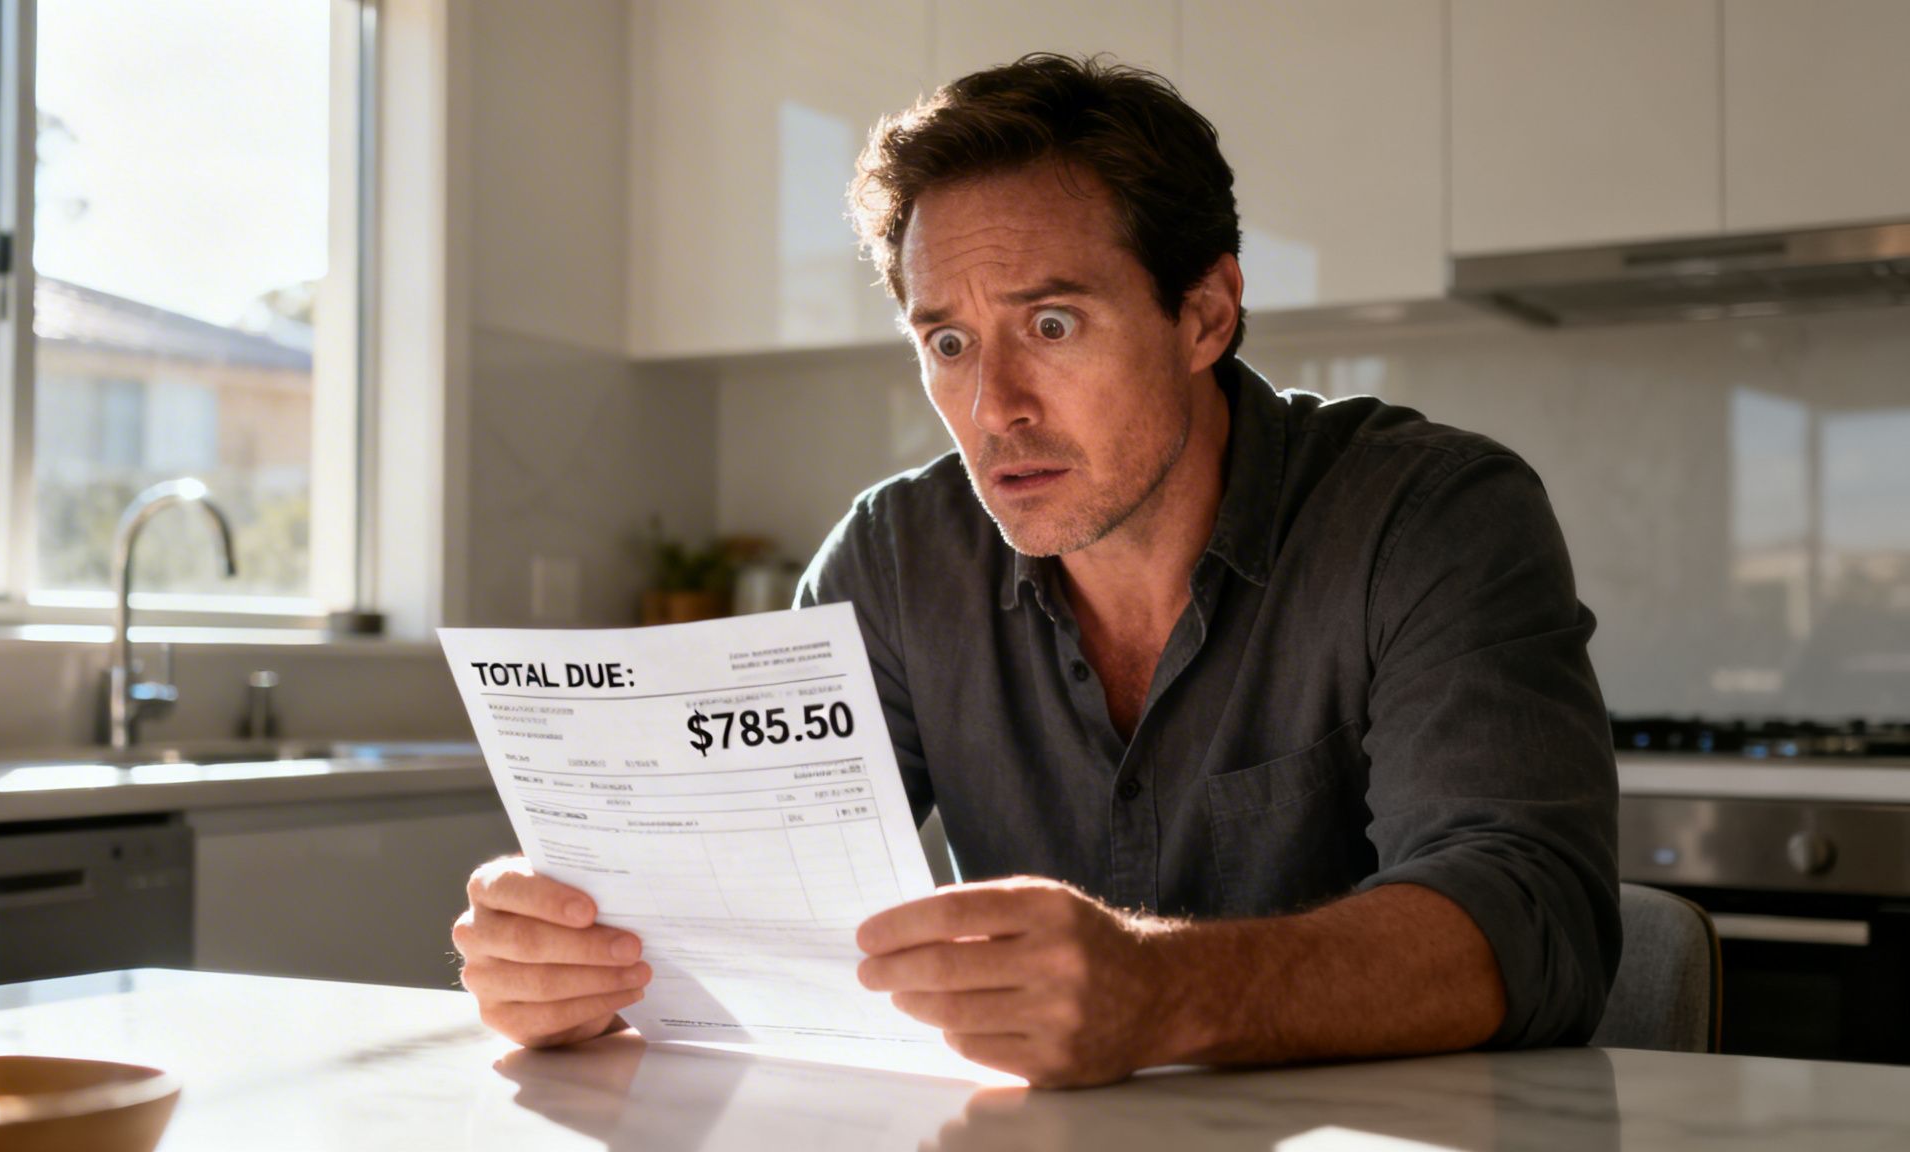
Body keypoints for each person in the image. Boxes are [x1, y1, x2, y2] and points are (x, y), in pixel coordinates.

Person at [453, 54, 1620, 1089]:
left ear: (1204, 314)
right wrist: (578, 946)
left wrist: (1161, 992)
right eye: (946, 343)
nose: (991, 406)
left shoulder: (1428, 516)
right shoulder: (898, 556)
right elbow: (733, 881)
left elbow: (1532, 916)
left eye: (1051, 325)